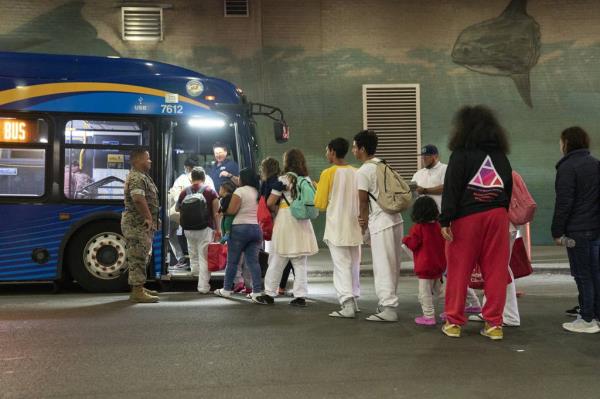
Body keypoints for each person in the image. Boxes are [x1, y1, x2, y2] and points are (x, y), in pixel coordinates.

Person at [440, 105, 513, 340]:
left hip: (467, 218)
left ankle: (453, 322)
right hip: (498, 216)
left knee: (459, 271)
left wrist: (445, 220)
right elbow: (508, 188)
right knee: (496, 271)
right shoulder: (500, 156)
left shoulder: (460, 155)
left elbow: (452, 188)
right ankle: (494, 325)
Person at [551, 126, 600, 334]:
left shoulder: (568, 168)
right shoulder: (595, 164)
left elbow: (564, 203)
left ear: (567, 143)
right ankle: (595, 314)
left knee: (582, 275)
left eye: (561, 142)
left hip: (577, 231)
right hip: (595, 229)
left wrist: (556, 231)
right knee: (595, 273)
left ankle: (587, 318)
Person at [353, 130, 403, 322]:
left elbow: (363, 202)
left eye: (355, 146)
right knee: (393, 265)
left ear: (362, 149)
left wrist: (363, 226)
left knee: (383, 266)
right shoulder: (383, 164)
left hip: (381, 222)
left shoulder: (364, 171)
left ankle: (388, 307)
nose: (353, 150)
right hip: (395, 218)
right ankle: (387, 303)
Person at [261, 149, 319, 307]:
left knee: (277, 257)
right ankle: (300, 296)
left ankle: (269, 294)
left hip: (286, 219)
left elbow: (270, 202)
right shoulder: (306, 179)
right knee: (300, 262)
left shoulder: (283, 179)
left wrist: (276, 208)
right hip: (302, 221)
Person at [314, 138, 363, 318]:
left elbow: (320, 203)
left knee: (341, 265)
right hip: (355, 225)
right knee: (353, 264)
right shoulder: (356, 172)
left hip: (337, 226)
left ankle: (347, 303)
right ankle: (354, 300)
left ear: (333, 152)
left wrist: (317, 188)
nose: (326, 154)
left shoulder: (328, 173)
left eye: (327, 151)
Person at [214, 168, 270, 304]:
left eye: (239, 177)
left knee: (233, 261)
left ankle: (226, 289)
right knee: (253, 262)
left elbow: (232, 210)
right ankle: (256, 292)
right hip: (256, 229)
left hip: (240, 228)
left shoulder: (240, 191)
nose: (238, 179)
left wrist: (223, 211)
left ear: (244, 178)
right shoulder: (258, 191)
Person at [122, 149, 160, 303]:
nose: (150, 161)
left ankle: (140, 287)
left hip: (140, 224)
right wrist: (149, 218)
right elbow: (138, 198)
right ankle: (137, 291)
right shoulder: (137, 177)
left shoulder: (142, 176)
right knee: (137, 257)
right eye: (147, 158)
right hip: (136, 224)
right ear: (138, 161)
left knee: (142, 256)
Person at [402, 196, 446, 326]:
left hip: (425, 266)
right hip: (439, 265)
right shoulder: (439, 226)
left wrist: (405, 239)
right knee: (439, 292)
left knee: (424, 293)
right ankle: (447, 312)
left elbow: (413, 244)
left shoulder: (418, 228)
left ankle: (428, 316)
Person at [176, 167, 220, 294]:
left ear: (191, 178)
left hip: (188, 229)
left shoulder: (184, 191)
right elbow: (216, 213)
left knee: (193, 253)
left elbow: (178, 209)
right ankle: (203, 287)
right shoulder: (210, 191)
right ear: (204, 177)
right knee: (204, 257)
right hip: (205, 228)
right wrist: (218, 229)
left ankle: (195, 275)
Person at [169, 156, 215, 270]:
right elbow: (214, 202)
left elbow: (177, 202)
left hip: (186, 219)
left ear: (188, 168)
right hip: (205, 221)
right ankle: (203, 281)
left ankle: (183, 260)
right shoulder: (208, 182)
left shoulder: (182, 182)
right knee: (203, 252)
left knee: (172, 234)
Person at [259, 157, 293, 295]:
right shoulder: (280, 180)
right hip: (279, 219)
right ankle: (282, 287)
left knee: (278, 255)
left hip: (274, 220)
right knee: (288, 255)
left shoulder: (269, 182)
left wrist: (274, 211)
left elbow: (267, 202)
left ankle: (272, 290)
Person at [412, 145, 447, 212]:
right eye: (422, 156)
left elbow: (445, 188)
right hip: (421, 215)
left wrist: (425, 190)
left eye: (427, 156)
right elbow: (413, 192)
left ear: (436, 156)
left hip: (439, 213)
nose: (423, 158)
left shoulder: (445, 169)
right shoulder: (418, 174)